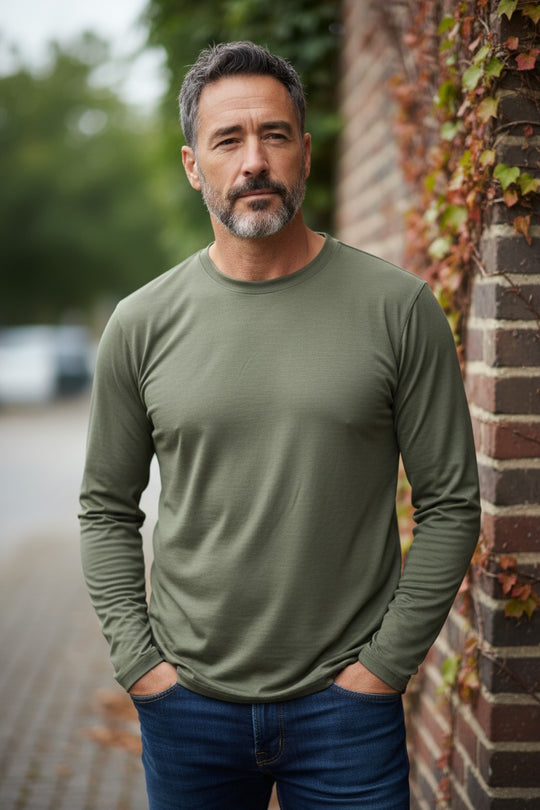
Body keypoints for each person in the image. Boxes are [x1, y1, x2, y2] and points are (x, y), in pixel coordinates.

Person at [79, 41, 480, 810]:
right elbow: (104, 508)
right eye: (229, 140)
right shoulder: (140, 324)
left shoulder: (398, 309)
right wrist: (141, 667)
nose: (253, 160)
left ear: (304, 151)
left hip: (347, 712)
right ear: (195, 165)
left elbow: (452, 503)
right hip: (186, 705)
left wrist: (384, 670)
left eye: (274, 135)